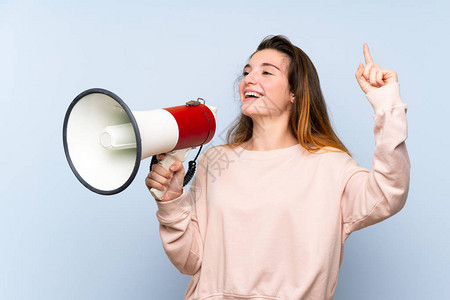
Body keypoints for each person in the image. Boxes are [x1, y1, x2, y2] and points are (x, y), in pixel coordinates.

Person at [145, 35, 410, 300]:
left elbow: (389, 193)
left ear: (294, 92)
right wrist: (171, 203)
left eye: (267, 72)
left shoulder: (331, 165)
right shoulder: (213, 162)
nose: (249, 78)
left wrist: (386, 105)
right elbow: (190, 262)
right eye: (247, 72)